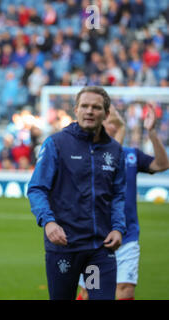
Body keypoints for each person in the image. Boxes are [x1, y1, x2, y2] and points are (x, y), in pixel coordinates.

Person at [27, 86, 127, 300]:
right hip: (65, 246)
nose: (90, 111)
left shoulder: (114, 151)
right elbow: (37, 188)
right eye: (85, 106)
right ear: (76, 110)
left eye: (96, 107)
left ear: (106, 114)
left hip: (99, 249)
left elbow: (118, 195)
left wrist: (118, 228)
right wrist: (48, 222)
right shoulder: (57, 144)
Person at [77, 103, 169, 300]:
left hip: (127, 237)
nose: (111, 125)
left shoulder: (131, 155)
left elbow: (162, 164)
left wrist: (151, 133)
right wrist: (122, 129)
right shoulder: (88, 152)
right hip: (94, 236)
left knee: (125, 289)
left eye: (114, 122)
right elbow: (107, 165)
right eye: (109, 122)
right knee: (89, 292)